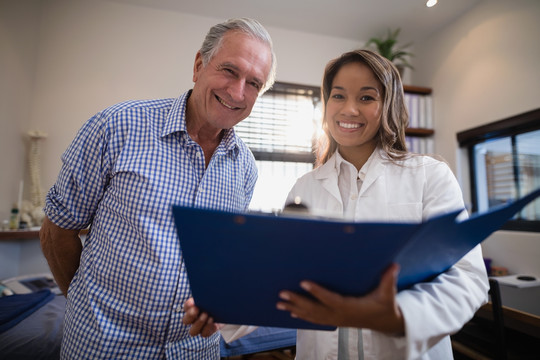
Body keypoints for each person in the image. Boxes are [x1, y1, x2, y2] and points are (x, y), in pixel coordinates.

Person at [183, 49, 489, 360]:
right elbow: (281, 280)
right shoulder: (305, 188)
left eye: (367, 98)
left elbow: (467, 276)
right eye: (338, 96)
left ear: (389, 106)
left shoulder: (429, 176)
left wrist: (399, 316)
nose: (350, 109)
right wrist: (224, 311)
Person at [39, 18, 276, 359]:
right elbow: (56, 233)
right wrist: (85, 303)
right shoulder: (115, 127)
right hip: (105, 348)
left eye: (254, 83)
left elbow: (221, 262)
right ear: (199, 65)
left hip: (195, 351)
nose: (238, 92)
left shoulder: (246, 169)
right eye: (229, 70)